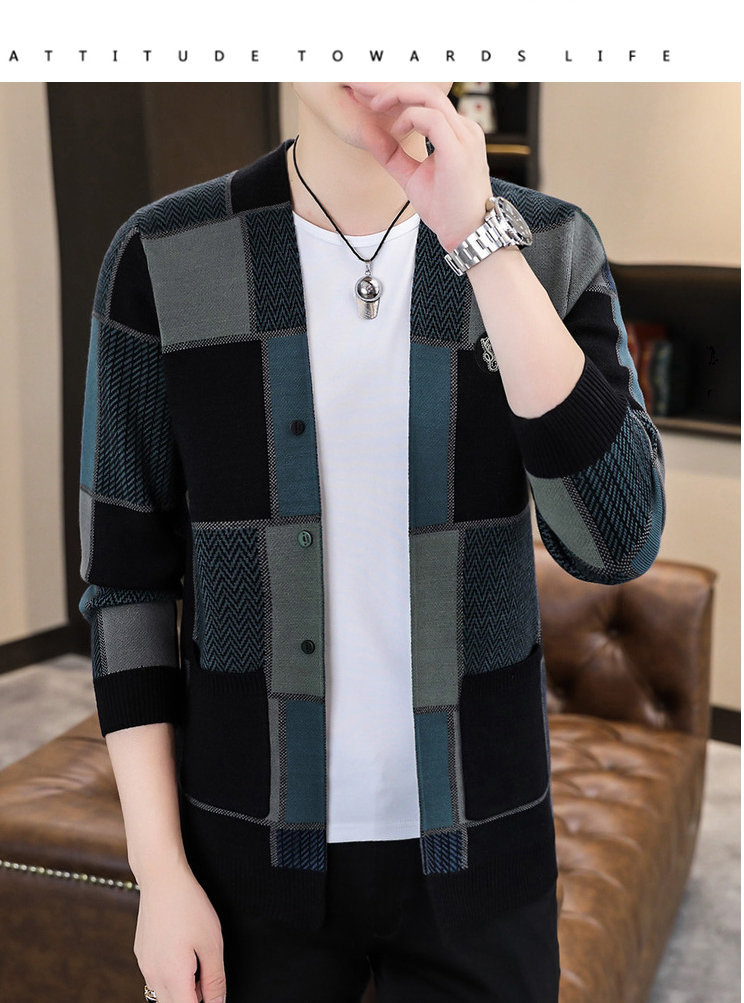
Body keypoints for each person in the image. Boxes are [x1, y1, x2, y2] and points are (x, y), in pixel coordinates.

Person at [78, 81, 666, 1003]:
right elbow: (127, 590)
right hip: (245, 858)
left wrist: (480, 241)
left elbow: (617, 540)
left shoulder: (550, 244)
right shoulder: (163, 255)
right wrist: (160, 874)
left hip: (486, 846)